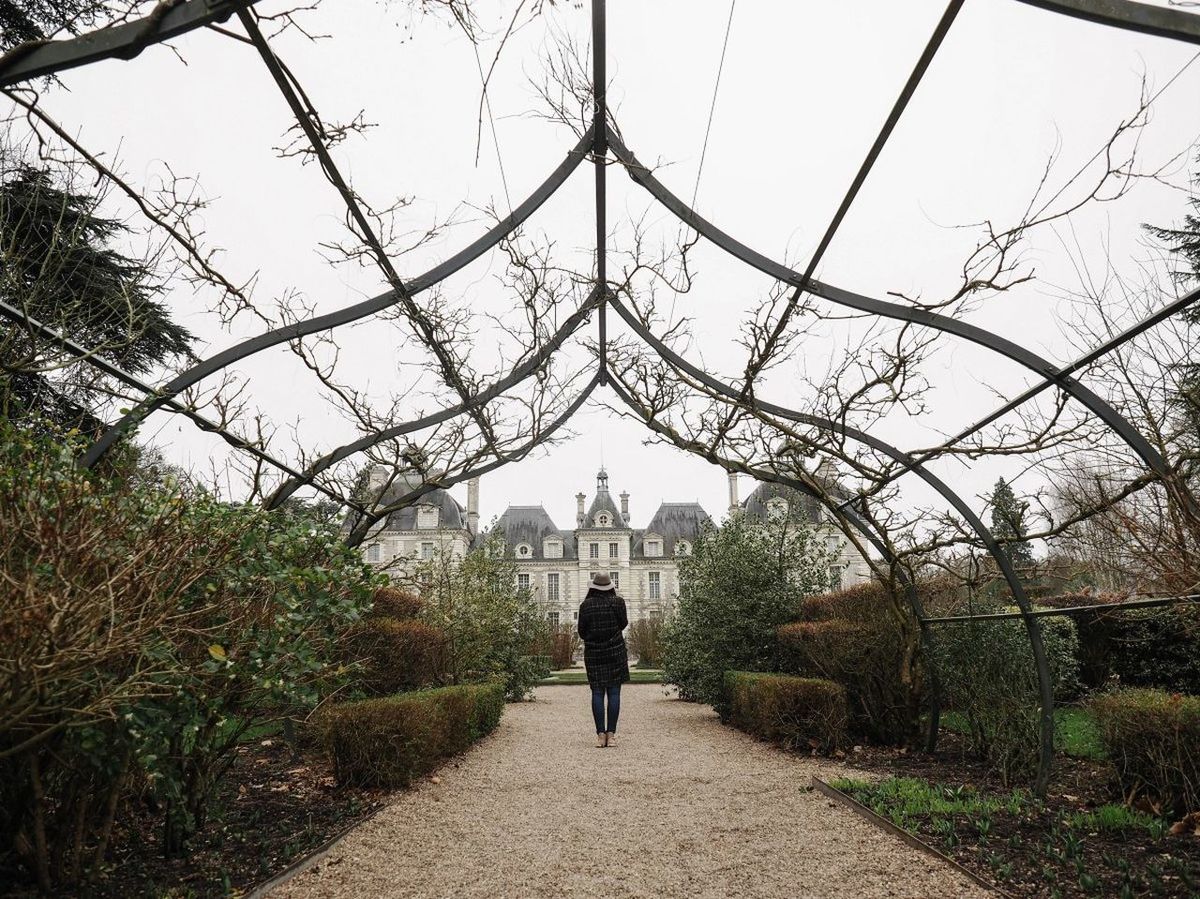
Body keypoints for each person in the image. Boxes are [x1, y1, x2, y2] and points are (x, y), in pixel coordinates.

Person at [577, 572, 630, 747]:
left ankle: (600, 735)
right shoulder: (618, 602)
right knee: (614, 693)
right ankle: (611, 735)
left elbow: (582, 632)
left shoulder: (585, 605)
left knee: (597, 693)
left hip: (594, 653)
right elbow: (623, 624)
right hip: (615, 652)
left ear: (593, 587)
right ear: (610, 587)